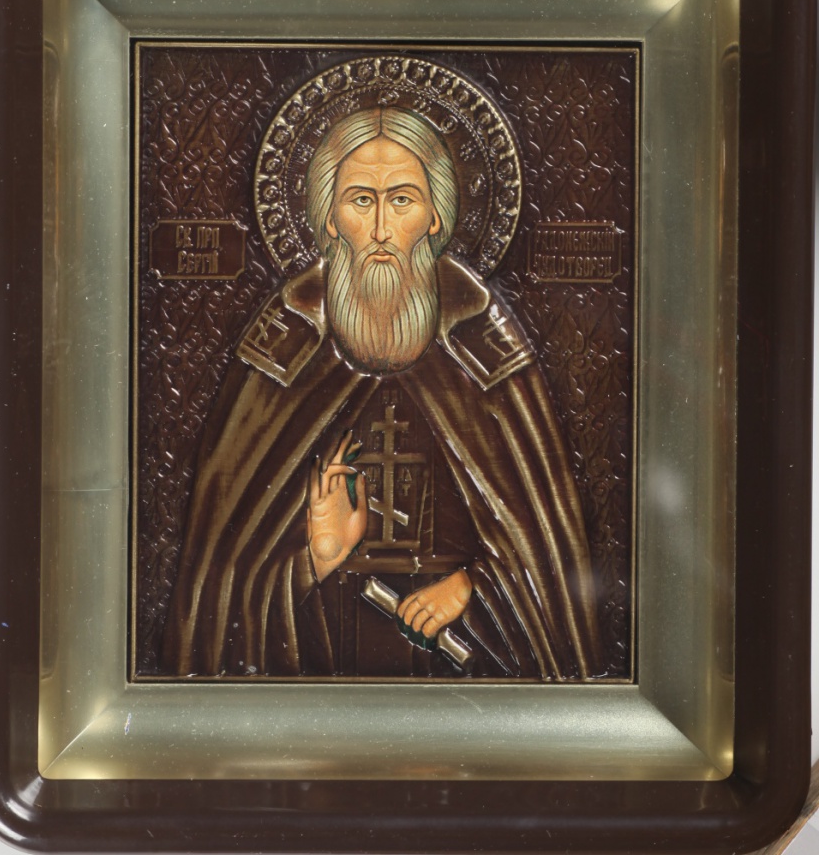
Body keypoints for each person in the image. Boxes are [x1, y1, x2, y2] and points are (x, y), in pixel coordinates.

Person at [162, 106, 604, 680]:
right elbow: (217, 598)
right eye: (360, 200)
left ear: (436, 217)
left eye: (401, 200)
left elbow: (549, 575)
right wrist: (314, 560)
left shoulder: (485, 350)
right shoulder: (285, 351)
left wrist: (473, 587)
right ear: (328, 219)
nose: (379, 230)